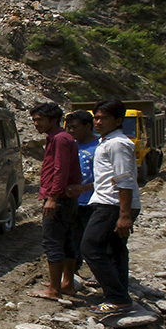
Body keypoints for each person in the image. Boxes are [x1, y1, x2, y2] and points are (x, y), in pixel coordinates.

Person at [81, 99, 158, 327]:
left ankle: (116, 297)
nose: (98, 121)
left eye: (103, 118)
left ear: (118, 120)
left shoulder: (118, 144)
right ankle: (119, 294)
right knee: (115, 248)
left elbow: (124, 180)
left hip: (113, 204)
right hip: (111, 202)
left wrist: (124, 215)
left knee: (90, 247)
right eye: (96, 117)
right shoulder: (108, 142)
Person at [29, 102, 81, 300]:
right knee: (67, 241)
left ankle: (54, 290)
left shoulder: (60, 139)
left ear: (53, 119)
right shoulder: (62, 138)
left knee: (52, 242)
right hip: (67, 199)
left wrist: (52, 197)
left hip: (58, 200)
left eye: (39, 120)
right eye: (34, 120)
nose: (35, 124)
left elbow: (60, 170)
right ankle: (66, 284)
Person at [65, 109, 99, 289]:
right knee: (72, 238)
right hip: (73, 202)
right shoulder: (71, 146)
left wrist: (84, 188)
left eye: (75, 127)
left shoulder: (100, 146)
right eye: (68, 127)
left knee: (93, 240)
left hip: (93, 202)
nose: (71, 131)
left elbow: (107, 178)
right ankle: (73, 272)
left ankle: (99, 272)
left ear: (88, 126)